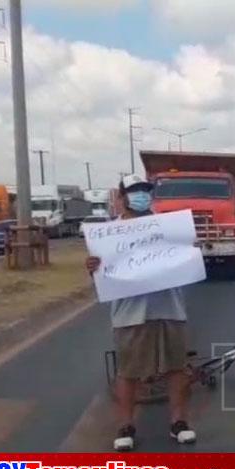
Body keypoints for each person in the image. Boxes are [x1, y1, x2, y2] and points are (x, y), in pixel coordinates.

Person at [85, 174, 196, 452]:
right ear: (122, 197)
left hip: (170, 308)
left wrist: (189, 255)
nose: (141, 196)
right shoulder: (107, 236)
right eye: (135, 191)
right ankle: (125, 425)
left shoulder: (169, 228)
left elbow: (186, 262)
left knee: (176, 367)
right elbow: (100, 278)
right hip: (129, 313)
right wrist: (93, 268)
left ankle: (179, 422)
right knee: (129, 371)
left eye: (145, 191)